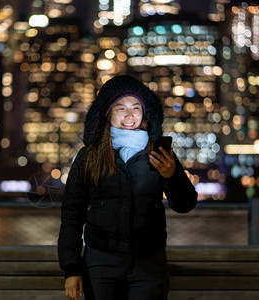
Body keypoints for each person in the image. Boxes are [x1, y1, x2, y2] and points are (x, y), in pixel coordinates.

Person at [57, 75, 198, 300]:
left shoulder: (159, 154)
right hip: (101, 261)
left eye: (136, 108)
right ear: (107, 113)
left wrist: (172, 177)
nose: (129, 115)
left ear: (145, 113)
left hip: (148, 261)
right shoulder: (90, 156)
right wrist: (71, 268)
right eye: (120, 108)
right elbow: (72, 215)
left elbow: (185, 204)